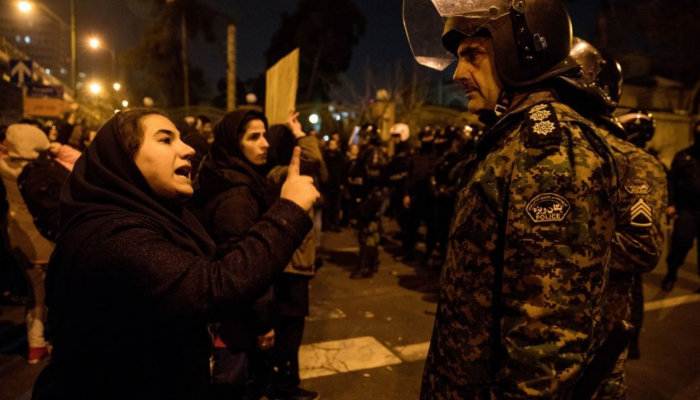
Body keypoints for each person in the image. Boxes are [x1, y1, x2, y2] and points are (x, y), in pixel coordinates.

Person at [404, 0, 618, 398]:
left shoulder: (551, 153)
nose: (458, 73)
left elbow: (546, 348)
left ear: (524, 53)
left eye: (472, 55)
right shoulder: (511, 140)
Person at [32, 109, 319, 400]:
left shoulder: (147, 219)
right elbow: (214, 288)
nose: (189, 149)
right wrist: (289, 211)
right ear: (123, 160)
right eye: (165, 140)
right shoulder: (113, 236)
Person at [569, 39, 667, 397]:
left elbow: (641, 248)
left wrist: (553, 241)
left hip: (591, 345)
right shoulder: (551, 150)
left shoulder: (630, 161)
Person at [194, 109, 277, 400]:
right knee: (233, 387)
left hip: (224, 314)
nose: (265, 143)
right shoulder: (238, 195)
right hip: (233, 321)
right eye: (254, 137)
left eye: (264, 135)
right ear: (233, 143)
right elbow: (243, 266)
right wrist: (263, 321)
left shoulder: (223, 175)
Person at [265, 114, 323, 400]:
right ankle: (286, 388)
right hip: (291, 265)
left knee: (287, 328)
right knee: (289, 330)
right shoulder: (280, 174)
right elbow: (314, 158)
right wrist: (299, 133)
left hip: (292, 262)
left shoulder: (275, 172)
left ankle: (285, 383)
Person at [0, 124, 54, 364]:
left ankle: (36, 342)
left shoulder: (5, 167)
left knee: (36, 290)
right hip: (41, 240)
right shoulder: (39, 171)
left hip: (16, 239)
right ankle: (38, 343)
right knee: (46, 292)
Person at [663, 119, 700, 293]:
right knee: (680, 243)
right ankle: (671, 274)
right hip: (687, 210)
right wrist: (670, 204)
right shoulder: (683, 156)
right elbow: (671, 182)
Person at [346, 124, 387, 279]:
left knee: (370, 233)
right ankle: (370, 262)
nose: (360, 139)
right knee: (365, 232)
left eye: (363, 136)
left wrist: (370, 202)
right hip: (364, 199)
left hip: (370, 200)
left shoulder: (373, 154)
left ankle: (366, 266)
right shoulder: (366, 153)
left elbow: (375, 180)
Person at [400, 125, 438, 265]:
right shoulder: (416, 154)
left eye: (428, 136)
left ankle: (429, 253)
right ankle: (409, 251)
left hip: (430, 197)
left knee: (431, 227)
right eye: (424, 137)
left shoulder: (437, 155)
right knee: (411, 225)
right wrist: (406, 194)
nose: (426, 139)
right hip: (416, 195)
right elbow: (410, 176)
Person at [323, 138, 347, 232]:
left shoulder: (340, 158)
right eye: (331, 144)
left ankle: (336, 225)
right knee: (326, 207)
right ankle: (326, 225)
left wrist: (342, 183)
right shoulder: (325, 158)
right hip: (327, 185)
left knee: (337, 207)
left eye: (334, 144)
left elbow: (344, 171)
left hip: (337, 186)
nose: (332, 147)